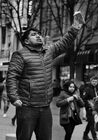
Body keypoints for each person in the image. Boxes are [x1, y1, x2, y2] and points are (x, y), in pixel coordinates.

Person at [6, 11, 85, 140]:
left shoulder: (49, 52)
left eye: (39, 34)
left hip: (45, 108)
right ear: (26, 41)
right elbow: (12, 77)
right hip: (27, 107)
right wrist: (14, 97)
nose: (38, 36)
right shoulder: (20, 55)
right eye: (33, 35)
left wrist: (75, 26)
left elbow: (65, 42)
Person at [82, 76, 98, 140]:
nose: (94, 83)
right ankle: (94, 137)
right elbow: (84, 99)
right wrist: (89, 105)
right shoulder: (87, 89)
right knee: (92, 123)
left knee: (90, 122)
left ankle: (85, 135)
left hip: (96, 108)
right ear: (91, 81)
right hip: (89, 109)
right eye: (93, 81)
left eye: (96, 81)